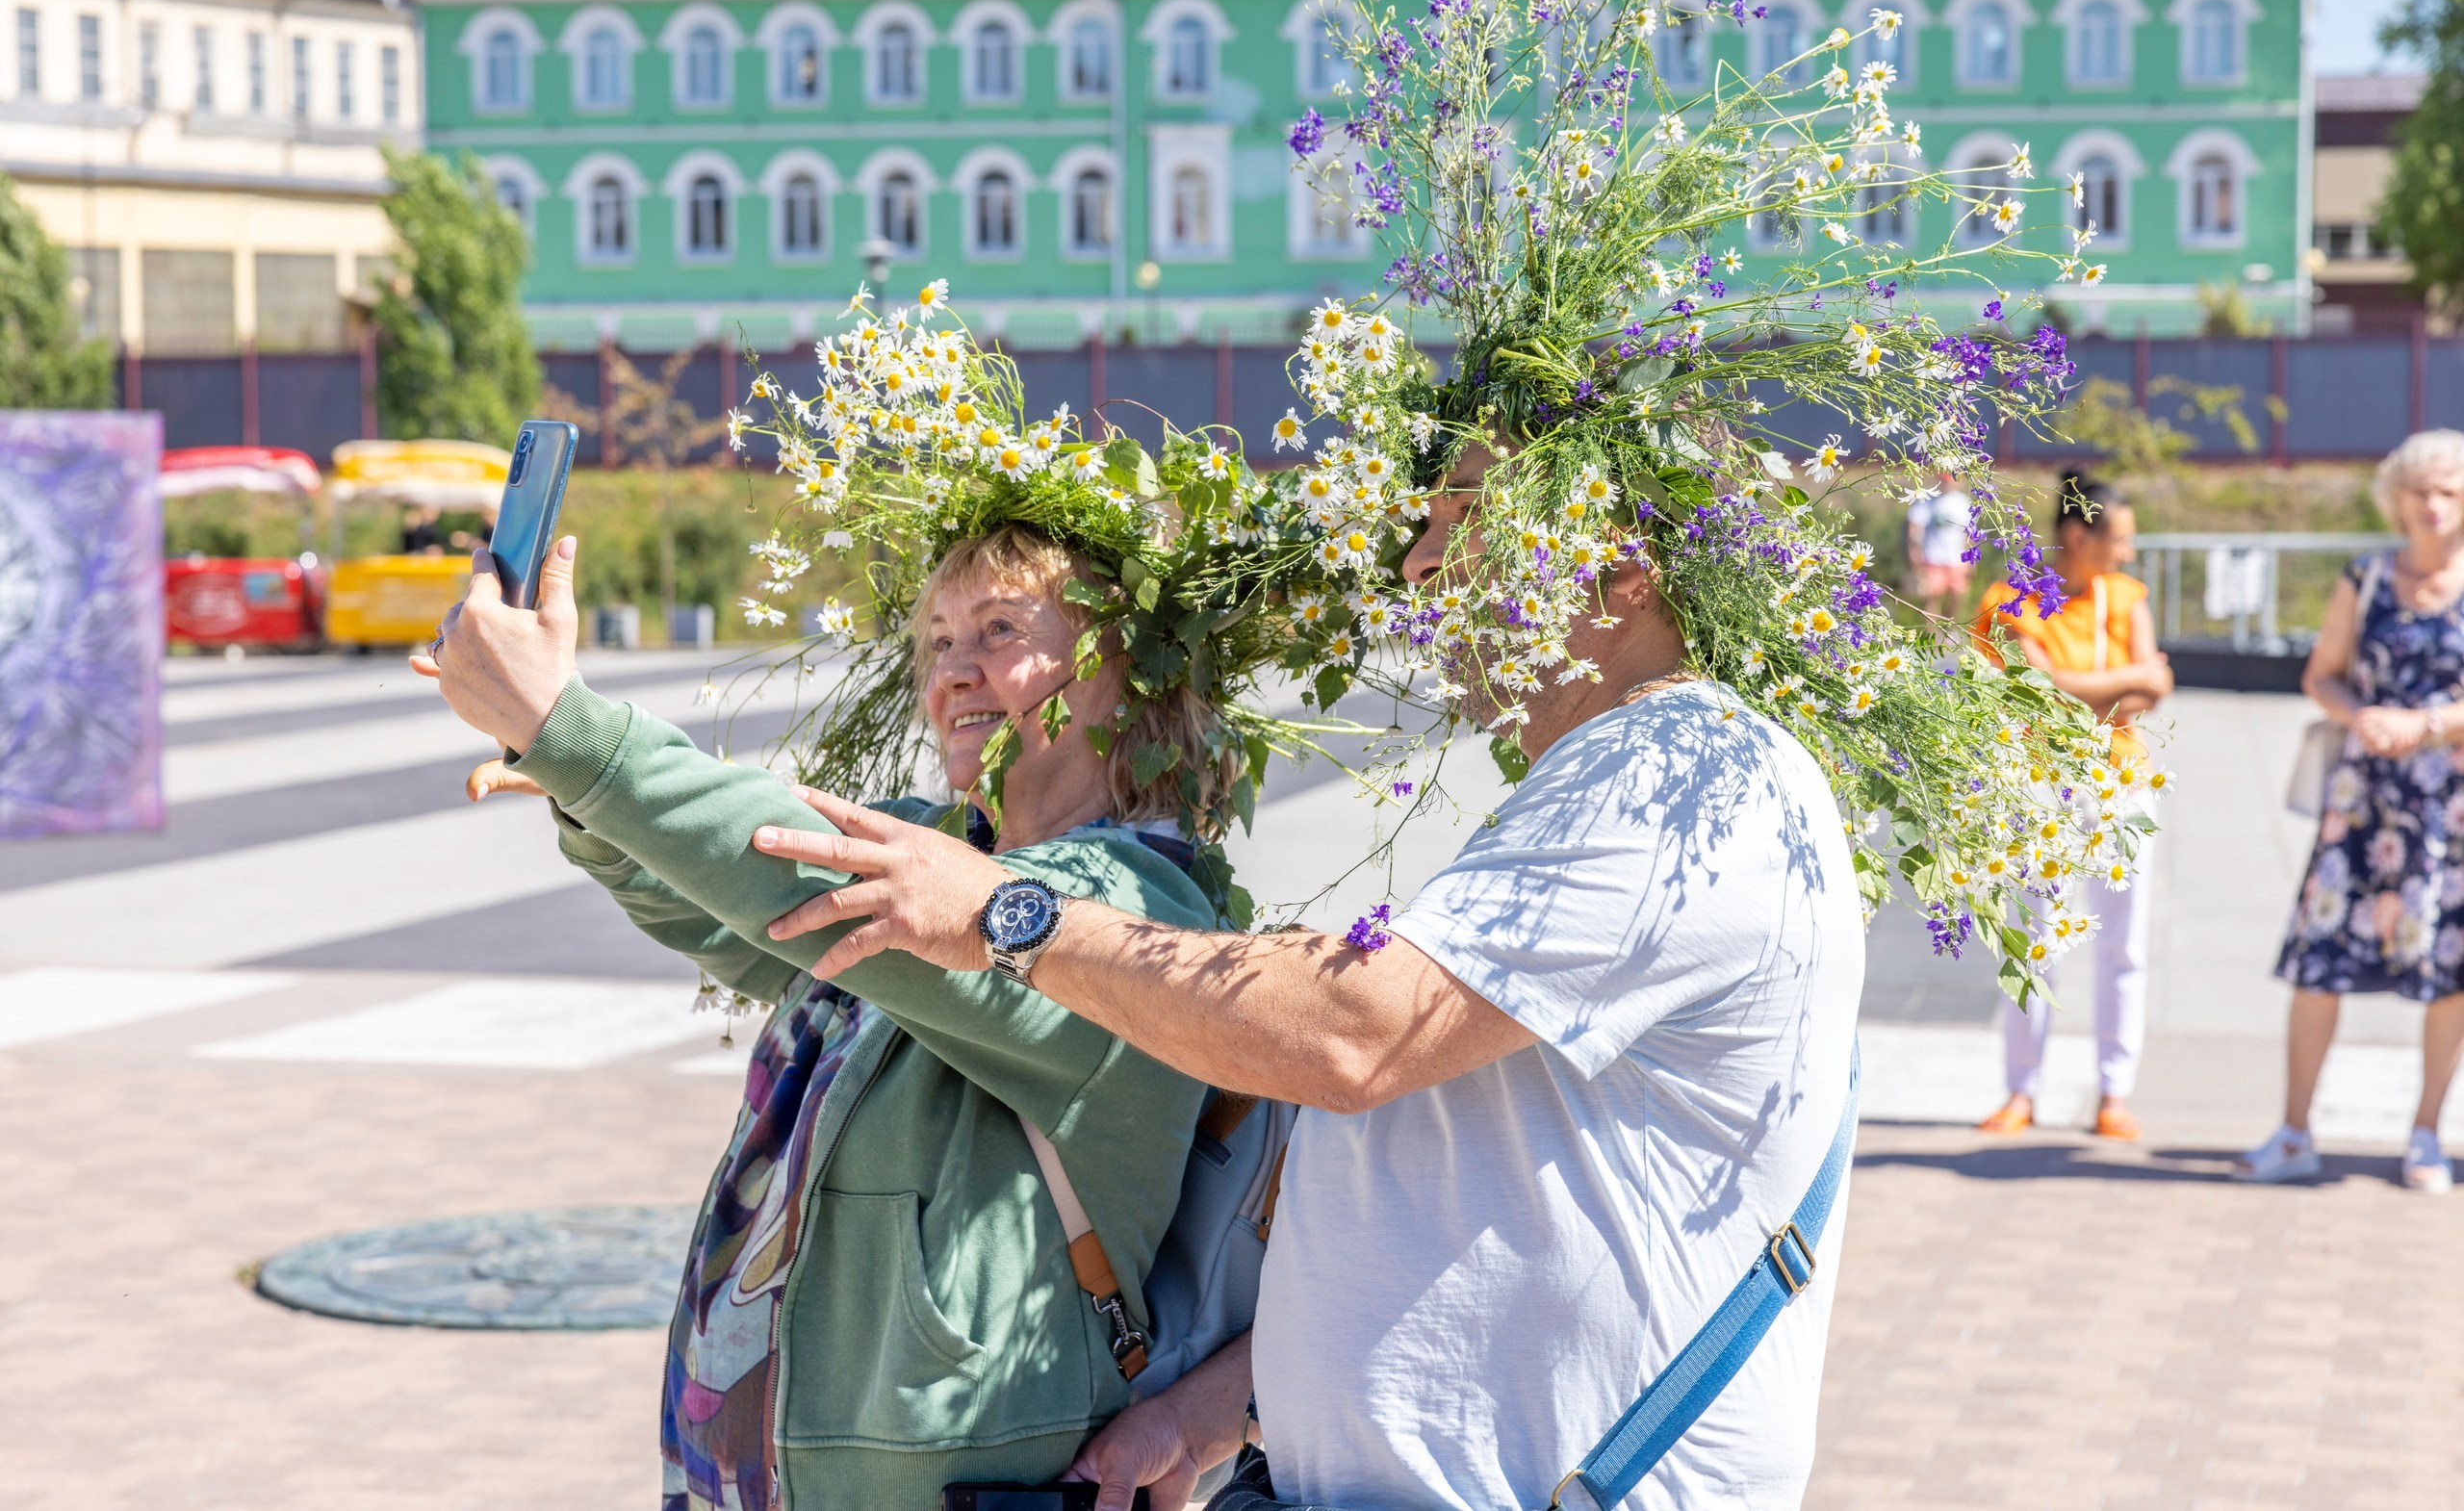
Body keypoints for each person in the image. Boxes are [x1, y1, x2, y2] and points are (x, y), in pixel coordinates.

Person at [745, 437, 1870, 1511]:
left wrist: (1002, 911)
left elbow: (1354, 1031)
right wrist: (1213, 1407)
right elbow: (1468, 1192)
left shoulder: (1683, 771)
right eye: (1425, 520)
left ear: (1623, 562)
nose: (1420, 559)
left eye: (1466, 513)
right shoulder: (1620, 774)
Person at [422, 525, 1245, 1509]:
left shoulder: (1135, 908)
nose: (957, 672)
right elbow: (750, 904)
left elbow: (806, 878)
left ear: (1133, 676)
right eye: (939, 641)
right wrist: (579, 783)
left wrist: (575, 733)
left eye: (998, 629)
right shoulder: (947, 849)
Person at [2240, 429, 2464, 1193]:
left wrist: (2425, 725)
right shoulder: (2366, 577)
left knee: (2445, 971)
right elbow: (2322, 674)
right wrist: (2362, 715)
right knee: (2320, 962)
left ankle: (2427, 1133)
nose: (2432, 505)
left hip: (2448, 810)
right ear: (2396, 496)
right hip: (2363, 800)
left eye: (2448, 491)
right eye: (2421, 489)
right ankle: (2295, 1130)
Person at [1971, 471, 2173, 1142]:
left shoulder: (2126, 597)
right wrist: (2121, 683)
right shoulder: (2011, 599)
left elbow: (2156, 687)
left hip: (2121, 788)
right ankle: (2021, 1090)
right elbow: (2040, 690)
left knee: (2124, 945)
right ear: (2076, 535)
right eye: (2117, 540)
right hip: (2039, 786)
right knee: (2034, 941)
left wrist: (2080, 687)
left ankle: (2114, 1092)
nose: (2125, 554)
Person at [1905, 470, 1974, 618]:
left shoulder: (1963, 502)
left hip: (1957, 558)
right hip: (1932, 557)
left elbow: (1970, 535)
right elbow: (1914, 530)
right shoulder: (1927, 500)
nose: (1946, 484)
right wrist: (1914, 554)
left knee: (1959, 595)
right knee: (1931, 598)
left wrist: (1971, 560)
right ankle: (1933, 633)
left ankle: (1950, 626)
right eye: (1944, 480)